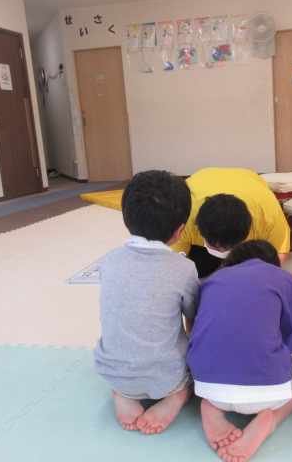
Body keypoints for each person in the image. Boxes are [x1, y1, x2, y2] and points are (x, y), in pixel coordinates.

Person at [93, 170, 199, 435]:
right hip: (168, 377)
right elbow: (193, 315)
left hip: (114, 371)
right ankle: (178, 395)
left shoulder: (110, 259)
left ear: (126, 219)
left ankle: (123, 393)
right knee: (197, 354)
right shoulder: (184, 268)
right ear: (180, 231)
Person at [187, 240, 292, 462]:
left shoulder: (211, 281)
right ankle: (271, 420)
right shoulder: (286, 279)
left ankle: (211, 407)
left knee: (217, 365)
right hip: (268, 394)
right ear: (274, 263)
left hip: (206, 385)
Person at [171, 167, 291, 278]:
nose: (223, 252)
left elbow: (279, 254)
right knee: (199, 270)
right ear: (199, 229)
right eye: (216, 247)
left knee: (251, 269)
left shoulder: (268, 216)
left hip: (248, 180)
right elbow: (175, 261)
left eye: (229, 248)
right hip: (202, 178)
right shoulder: (183, 218)